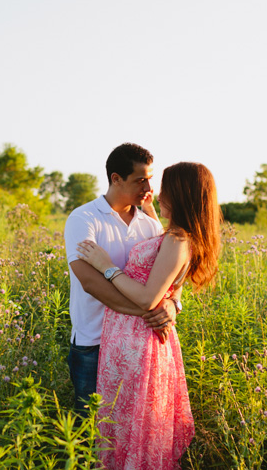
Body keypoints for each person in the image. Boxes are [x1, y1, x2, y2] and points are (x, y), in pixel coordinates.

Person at [76, 161, 222, 470]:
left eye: (163, 187)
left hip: (137, 340)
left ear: (180, 194)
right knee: (122, 419)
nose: (155, 192)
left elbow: (146, 298)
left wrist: (106, 265)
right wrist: (173, 301)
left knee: (130, 420)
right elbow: (164, 280)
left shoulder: (178, 239)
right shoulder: (171, 233)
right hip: (127, 337)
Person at [64, 143, 180, 416]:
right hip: (94, 342)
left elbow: (168, 278)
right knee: (90, 430)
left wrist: (173, 304)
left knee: (130, 425)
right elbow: (90, 282)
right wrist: (145, 310)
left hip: (137, 343)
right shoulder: (84, 218)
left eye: (150, 179)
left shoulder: (150, 225)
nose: (148, 187)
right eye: (140, 179)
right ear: (116, 178)